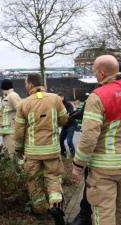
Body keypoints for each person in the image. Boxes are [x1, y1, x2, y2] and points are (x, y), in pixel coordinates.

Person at [72, 55, 121, 225]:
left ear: (102, 73)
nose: (94, 75)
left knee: (104, 212)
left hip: (104, 167)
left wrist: (78, 165)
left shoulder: (97, 96)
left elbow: (89, 137)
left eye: (95, 71)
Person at [14, 73, 69, 222]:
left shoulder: (23, 104)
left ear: (31, 85)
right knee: (53, 178)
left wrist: (18, 150)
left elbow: (19, 132)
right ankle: (56, 206)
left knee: (34, 181)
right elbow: (64, 119)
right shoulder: (56, 99)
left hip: (32, 153)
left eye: (26, 84)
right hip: (51, 150)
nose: (25, 86)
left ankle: (42, 212)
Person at [0, 79, 21, 159]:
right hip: (6, 132)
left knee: (12, 154)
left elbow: (20, 111)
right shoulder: (6, 97)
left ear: (4, 88)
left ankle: (17, 170)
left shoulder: (13, 96)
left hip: (11, 132)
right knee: (6, 154)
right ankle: (9, 170)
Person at [58, 93, 76, 158]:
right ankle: (63, 152)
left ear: (63, 97)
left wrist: (66, 115)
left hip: (71, 125)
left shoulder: (68, 104)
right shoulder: (59, 105)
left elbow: (71, 112)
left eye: (60, 97)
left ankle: (73, 153)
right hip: (64, 126)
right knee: (60, 140)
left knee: (69, 141)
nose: (59, 99)